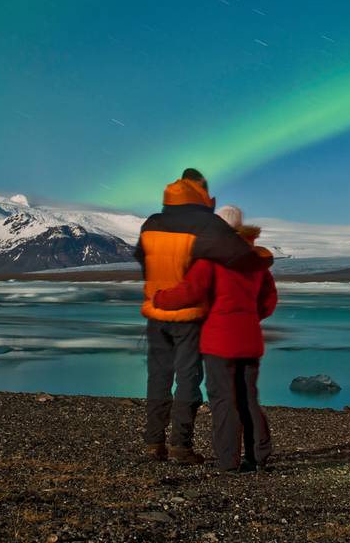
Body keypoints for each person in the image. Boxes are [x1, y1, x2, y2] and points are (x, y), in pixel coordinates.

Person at [136, 169, 268, 465]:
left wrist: (157, 293)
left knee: (157, 377)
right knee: (188, 379)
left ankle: (152, 442)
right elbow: (234, 264)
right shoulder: (206, 228)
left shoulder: (151, 223)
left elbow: (142, 258)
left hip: (157, 314)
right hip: (191, 317)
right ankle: (180, 446)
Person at [153, 207, 277, 473]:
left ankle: (227, 461)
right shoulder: (256, 262)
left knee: (223, 400)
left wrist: (160, 298)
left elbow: (189, 292)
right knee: (248, 398)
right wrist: (249, 319)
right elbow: (269, 301)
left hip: (220, 340)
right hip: (249, 339)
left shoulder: (212, 259)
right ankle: (259, 456)